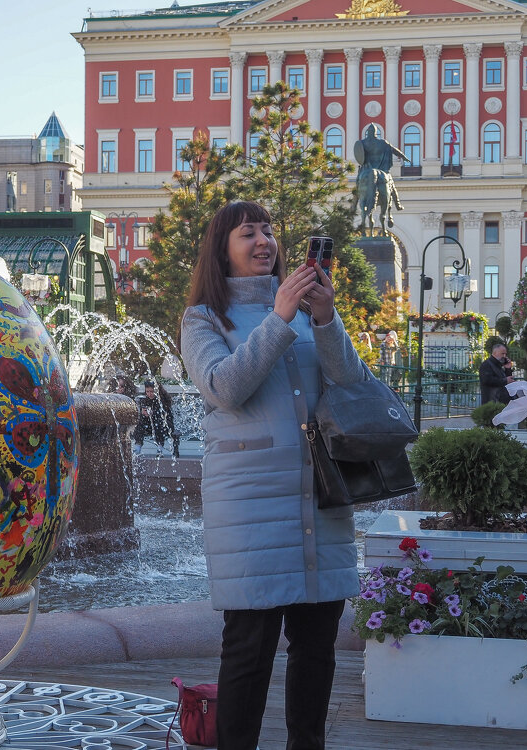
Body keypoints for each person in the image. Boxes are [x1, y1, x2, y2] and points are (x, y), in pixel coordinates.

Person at [180, 201, 364, 750]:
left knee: (316, 647)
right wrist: (280, 317)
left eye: (268, 230)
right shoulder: (203, 320)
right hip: (251, 504)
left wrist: (325, 318)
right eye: (248, 232)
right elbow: (223, 388)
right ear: (222, 249)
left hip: (319, 496)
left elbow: (351, 384)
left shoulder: (309, 309)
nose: (264, 241)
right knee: (248, 649)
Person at [134, 379, 170, 451]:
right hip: (148, 425)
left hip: (162, 425)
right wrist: (143, 413)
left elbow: (165, 415)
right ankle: (138, 446)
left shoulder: (163, 400)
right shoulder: (144, 399)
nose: (149, 394)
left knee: (158, 422)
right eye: (147, 391)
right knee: (139, 423)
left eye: (152, 392)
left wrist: (154, 413)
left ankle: (160, 448)